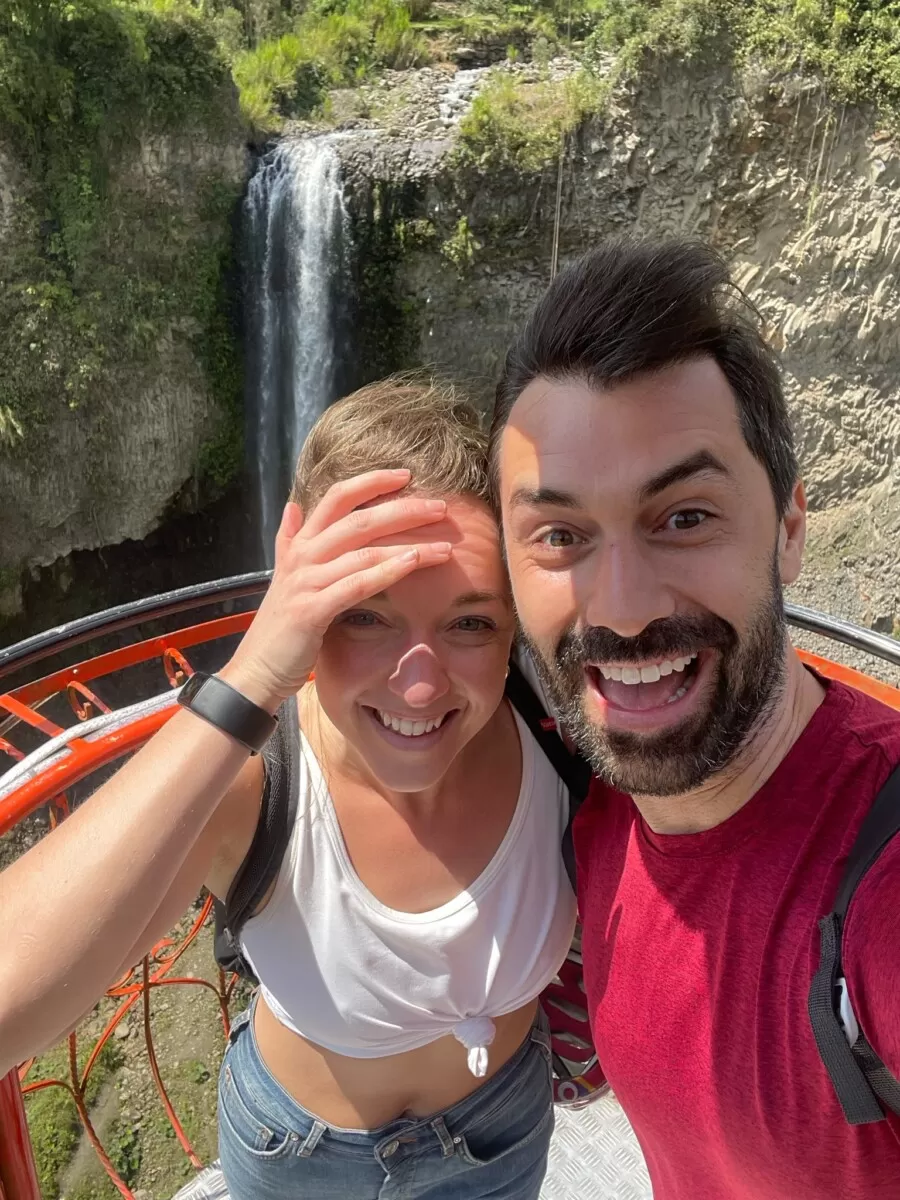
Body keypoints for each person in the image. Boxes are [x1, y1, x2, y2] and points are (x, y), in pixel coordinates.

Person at [0, 378, 576, 1200]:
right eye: (363, 615)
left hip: (502, 1133)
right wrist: (253, 676)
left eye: (471, 623)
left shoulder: (562, 738)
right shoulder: (257, 784)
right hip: (300, 1158)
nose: (419, 687)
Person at [489, 238, 900, 1200]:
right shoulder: (573, 791)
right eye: (560, 535)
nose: (624, 608)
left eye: (684, 517)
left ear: (789, 529)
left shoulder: (878, 879)